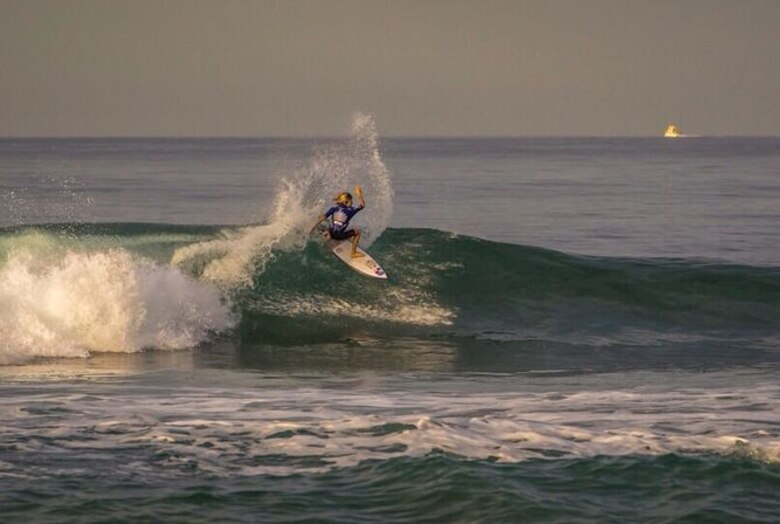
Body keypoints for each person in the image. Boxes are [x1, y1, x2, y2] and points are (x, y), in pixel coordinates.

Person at [310, 185, 366, 258]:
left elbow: (322, 218)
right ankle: (353, 253)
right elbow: (362, 205)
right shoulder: (351, 210)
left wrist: (313, 227)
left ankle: (327, 235)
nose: (352, 203)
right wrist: (359, 195)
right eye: (351, 201)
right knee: (358, 232)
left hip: (331, 232)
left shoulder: (334, 208)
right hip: (339, 236)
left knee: (326, 221)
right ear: (346, 202)